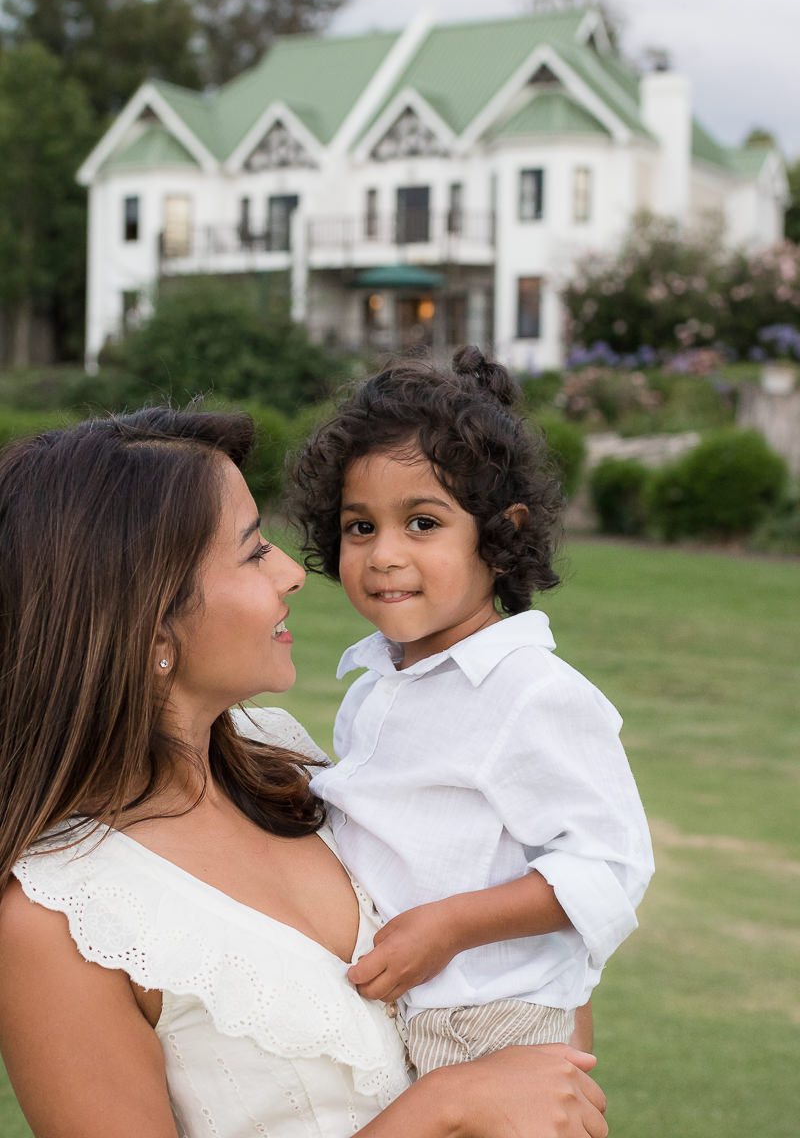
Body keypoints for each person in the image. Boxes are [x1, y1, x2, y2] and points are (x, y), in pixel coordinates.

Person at [0, 406, 609, 1138]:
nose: (294, 572)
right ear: (149, 620)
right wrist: (445, 1110)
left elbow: (533, 955)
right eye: (254, 551)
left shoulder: (289, 764)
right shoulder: (57, 921)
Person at [289, 349, 655, 1076]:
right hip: (395, 1014)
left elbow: (609, 865)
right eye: (360, 527)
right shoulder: (374, 684)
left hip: (490, 1024)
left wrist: (452, 927)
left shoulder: (530, 691)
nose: (384, 554)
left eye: (422, 523)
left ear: (501, 534)